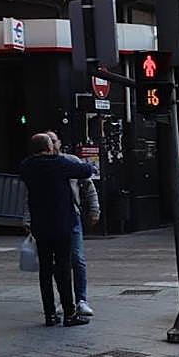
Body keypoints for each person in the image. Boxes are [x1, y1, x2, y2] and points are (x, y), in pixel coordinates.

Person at [19, 133, 94, 326]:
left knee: (45, 270)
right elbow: (86, 170)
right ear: (50, 147)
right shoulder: (60, 164)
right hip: (62, 224)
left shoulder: (27, 166)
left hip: (40, 226)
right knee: (63, 267)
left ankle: (50, 314)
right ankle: (70, 313)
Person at [44, 132, 99, 317]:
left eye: (53, 140)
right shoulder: (41, 164)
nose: (51, 144)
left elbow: (88, 185)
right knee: (57, 262)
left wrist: (94, 209)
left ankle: (81, 299)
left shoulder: (70, 161)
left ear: (59, 143)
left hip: (71, 215)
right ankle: (65, 299)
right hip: (49, 218)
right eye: (48, 141)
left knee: (77, 258)